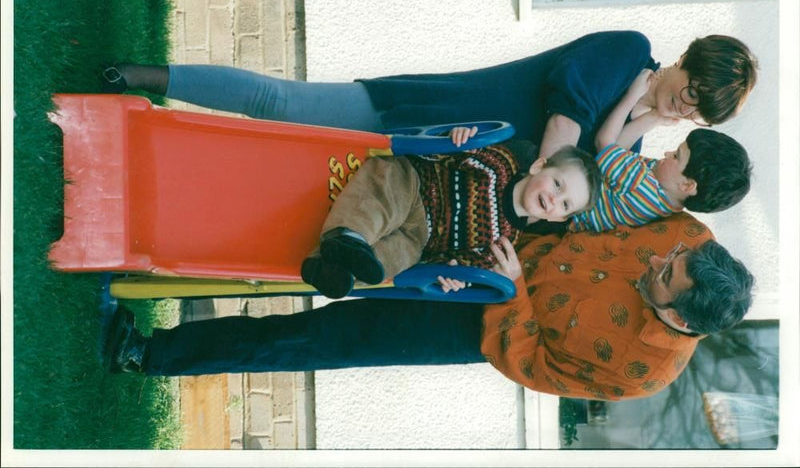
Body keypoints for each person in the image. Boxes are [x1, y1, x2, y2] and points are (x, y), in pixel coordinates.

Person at [103, 211, 755, 401]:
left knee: (321, 337)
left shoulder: (642, 371)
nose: (655, 260)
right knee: (317, 242)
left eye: (663, 277)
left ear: (678, 317)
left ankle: (148, 353)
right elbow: (611, 197)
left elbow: (535, 366)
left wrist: (512, 289)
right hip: (491, 227)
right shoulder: (693, 241)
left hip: (474, 321)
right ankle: (150, 250)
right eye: (666, 257)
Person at [102, 30, 758, 158]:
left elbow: (604, 158)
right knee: (284, 106)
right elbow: (564, 118)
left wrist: (643, 123)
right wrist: (571, 157)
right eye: (694, 90)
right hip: (423, 111)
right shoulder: (626, 51)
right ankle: (148, 78)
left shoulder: (641, 120)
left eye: (700, 112)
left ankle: (144, 153)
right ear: (688, 59)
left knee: (282, 168)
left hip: (434, 168)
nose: (686, 108)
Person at [301, 126, 602, 299]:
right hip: (417, 184)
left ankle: (333, 272)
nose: (553, 199)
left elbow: (465, 262)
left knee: (395, 260)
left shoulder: (504, 243)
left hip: (420, 239)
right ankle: (348, 236)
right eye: (558, 184)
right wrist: (456, 137)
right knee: (382, 192)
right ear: (539, 166)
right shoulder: (499, 165)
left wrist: (455, 275)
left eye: (564, 204)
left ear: (558, 219)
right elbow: (440, 152)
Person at [568, 69, 753, 233]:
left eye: (676, 156)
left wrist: (633, 95)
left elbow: (604, 142)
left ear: (688, 185)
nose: (667, 153)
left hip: (564, 210)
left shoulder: (642, 185)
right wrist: (654, 117)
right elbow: (617, 151)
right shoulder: (667, 201)